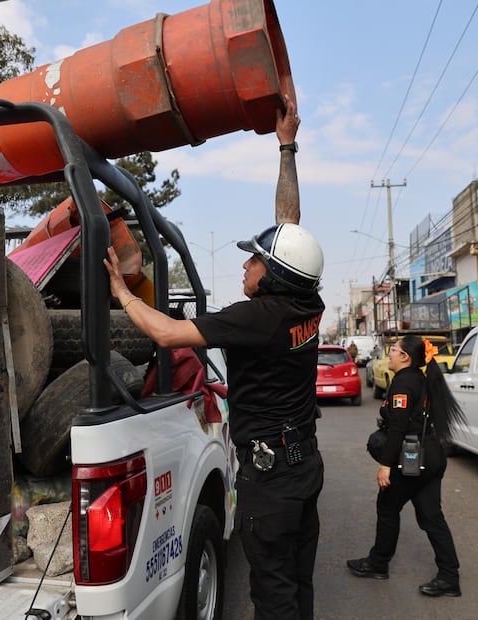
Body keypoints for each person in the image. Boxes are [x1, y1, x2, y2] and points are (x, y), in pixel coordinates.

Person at [104, 95, 326, 620]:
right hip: (303, 470)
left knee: (273, 597)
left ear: (270, 275)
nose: (245, 264)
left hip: (269, 480)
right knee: (297, 583)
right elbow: (289, 226)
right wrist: (286, 146)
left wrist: (123, 293)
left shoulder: (254, 319)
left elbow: (165, 331)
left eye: (253, 258)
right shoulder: (307, 300)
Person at [346, 335, 468, 597]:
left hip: (412, 457)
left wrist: (385, 466)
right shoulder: (420, 379)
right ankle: (450, 577)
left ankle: (378, 563)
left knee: (388, 508)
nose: (389, 354)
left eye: (393, 350)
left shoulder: (404, 383)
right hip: (431, 455)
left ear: (405, 357)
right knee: (431, 517)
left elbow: (398, 429)